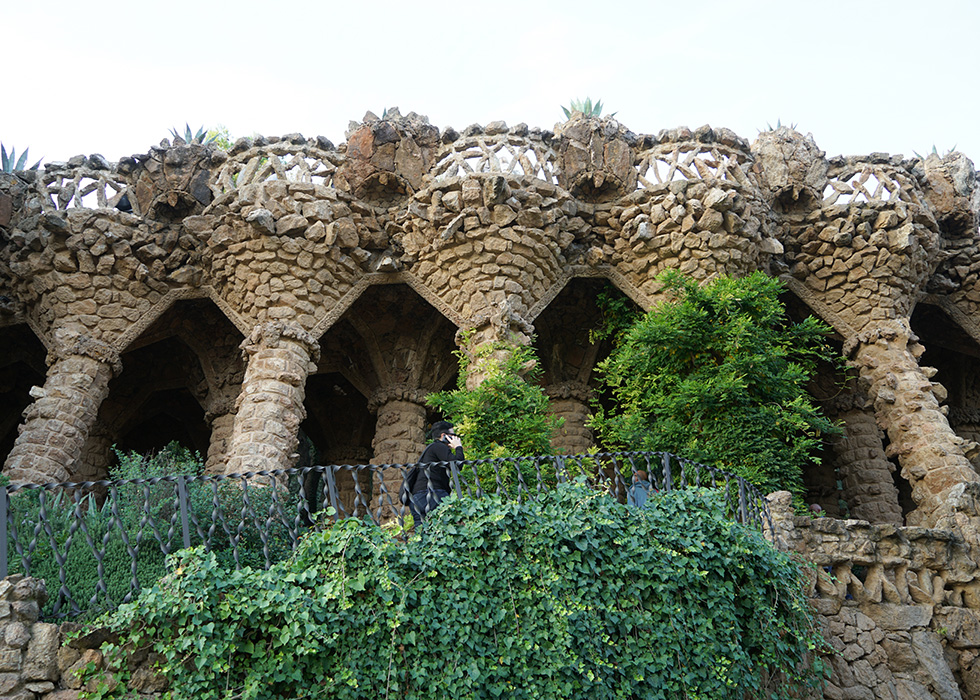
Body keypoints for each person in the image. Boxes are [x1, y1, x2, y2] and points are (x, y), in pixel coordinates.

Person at [409, 420, 464, 523]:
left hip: (416, 497)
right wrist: (458, 447)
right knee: (445, 526)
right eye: (453, 435)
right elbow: (457, 466)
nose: (455, 438)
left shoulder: (432, 448)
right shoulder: (439, 446)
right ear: (444, 435)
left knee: (422, 534)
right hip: (431, 494)